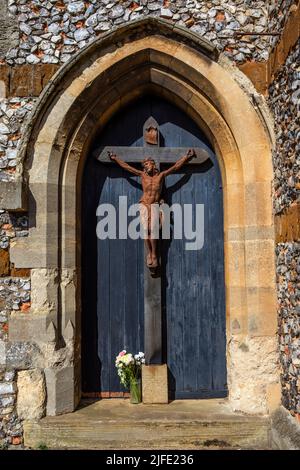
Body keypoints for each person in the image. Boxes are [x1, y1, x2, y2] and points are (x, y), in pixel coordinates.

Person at [109, 149, 196, 268]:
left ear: (153, 163)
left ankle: (154, 254)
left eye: (147, 164)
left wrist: (186, 157)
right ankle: (149, 253)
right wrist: (115, 158)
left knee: (154, 231)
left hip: (155, 204)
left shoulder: (161, 175)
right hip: (144, 203)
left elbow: (175, 167)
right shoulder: (142, 175)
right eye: (144, 165)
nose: (145, 167)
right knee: (145, 231)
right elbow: (127, 167)